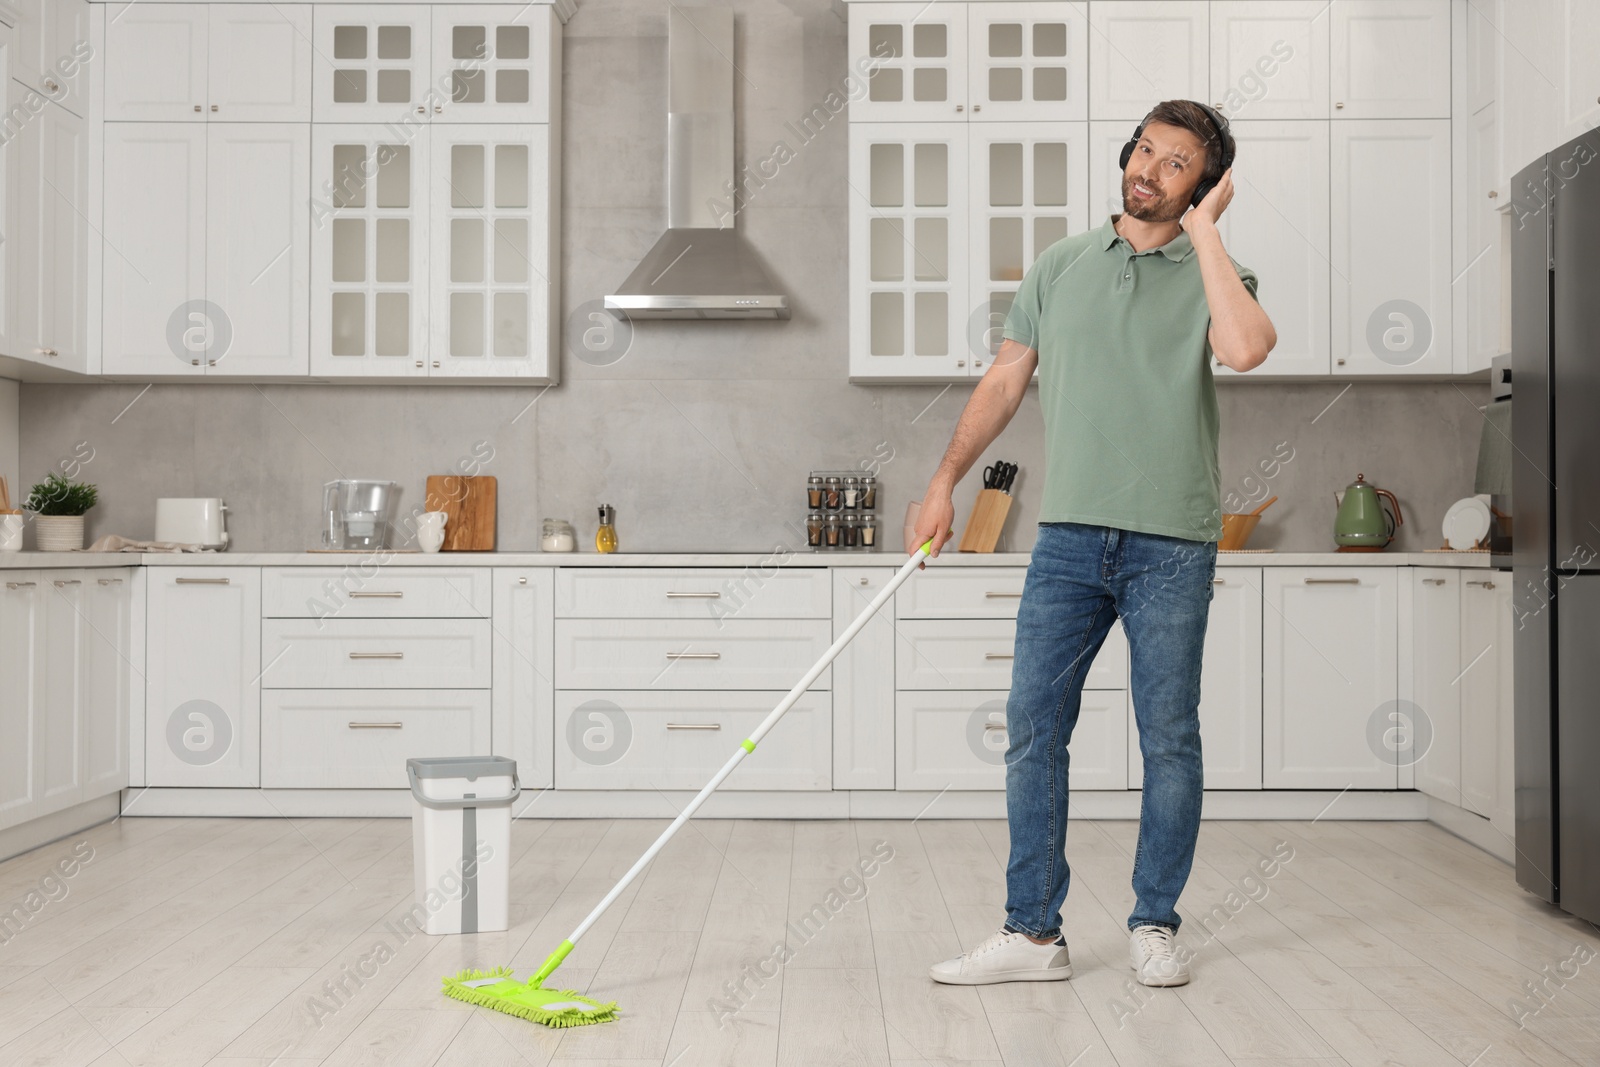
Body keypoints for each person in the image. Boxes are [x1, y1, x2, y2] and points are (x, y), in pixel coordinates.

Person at [916, 100, 1276, 989]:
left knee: (1170, 740)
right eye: (1146, 149)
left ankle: (1155, 923)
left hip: (1173, 544)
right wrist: (943, 479)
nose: (1150, 168)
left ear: (1206, 183)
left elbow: (1246, 349)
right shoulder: (1061, 265)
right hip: (1069, 537)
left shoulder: (1216, 270)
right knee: (1035, 731)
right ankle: (1033, 933)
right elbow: (1006, 379)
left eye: (1179, 161)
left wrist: (1207, 237)